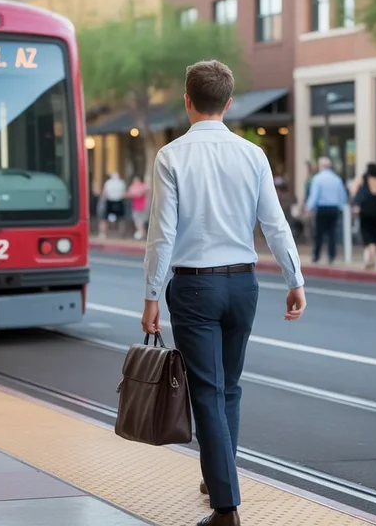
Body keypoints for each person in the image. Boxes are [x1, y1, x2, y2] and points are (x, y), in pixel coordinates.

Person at [141, 60, 307, 526]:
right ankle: (218, 477)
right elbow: (274, 224)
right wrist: (295, 280)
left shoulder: (171, 156)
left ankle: (225, 507)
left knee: (208, 393)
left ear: (188, 100)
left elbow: (162, 234)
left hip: (194, 286)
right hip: (243, 285)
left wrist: (152, 295)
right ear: (229, 104)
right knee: (228, 388)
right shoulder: (252, 155)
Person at [349, 162, 376, 269]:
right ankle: (371, 257)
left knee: (366, 233)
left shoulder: (363, 180)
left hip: (365, 210)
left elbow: (353, 191)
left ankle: (369, 257)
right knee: (374, 234)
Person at [305, 156, 347, 264]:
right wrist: (341, 207)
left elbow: (314, 195)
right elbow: (342, 195)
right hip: (334, 208)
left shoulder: (317, 179)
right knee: (332, 233)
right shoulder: (337, 179)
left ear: (321, 166)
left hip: (322, 208)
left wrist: (309, 208)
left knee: (319, 233)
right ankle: (331, 256)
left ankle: (316, 255)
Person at [98, 172, 126, 238]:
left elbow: (104, 192)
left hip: (109, 201)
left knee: (104, 218)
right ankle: (121, 233)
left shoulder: (108, 182)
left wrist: (101, 201)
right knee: (120, 219)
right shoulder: (121, 183)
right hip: (119, 201)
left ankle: (104, 233)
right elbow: (124, 193)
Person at [127, 175, 148, 240]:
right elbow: (129, 194)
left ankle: (141, 233)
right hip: (135, 206)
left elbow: (141, 193)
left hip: (142, 206)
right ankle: (142, 233)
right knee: (137, 220)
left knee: (141, 221)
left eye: (137, 180)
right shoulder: (133, 187)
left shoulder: (143, 186)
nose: (135, 181)